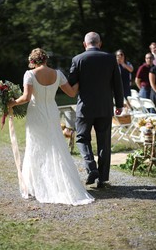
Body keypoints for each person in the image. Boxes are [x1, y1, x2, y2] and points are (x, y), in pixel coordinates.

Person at [8, 48, 94, 206]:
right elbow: (71, 93)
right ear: (46, 59)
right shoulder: (58, 74)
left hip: (37, 113)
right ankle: (62, 182)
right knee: (56, 145)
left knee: (36, 146)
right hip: (52, 112)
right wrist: (82, 78)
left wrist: (12, 102)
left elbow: (26, 97)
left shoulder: (30, 74)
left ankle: (36, 185)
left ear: (33, 61)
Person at [68, 32, 124, 188]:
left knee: (82, 138)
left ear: (85, 44)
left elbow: (71, 84)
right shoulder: (110, 58)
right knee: (104, 143)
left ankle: (91, 167)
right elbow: (117, 84)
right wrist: (119, 104)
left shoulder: (77, 59)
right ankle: (102, 178)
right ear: (100, 43)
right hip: (105, 107)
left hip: (85, 108)